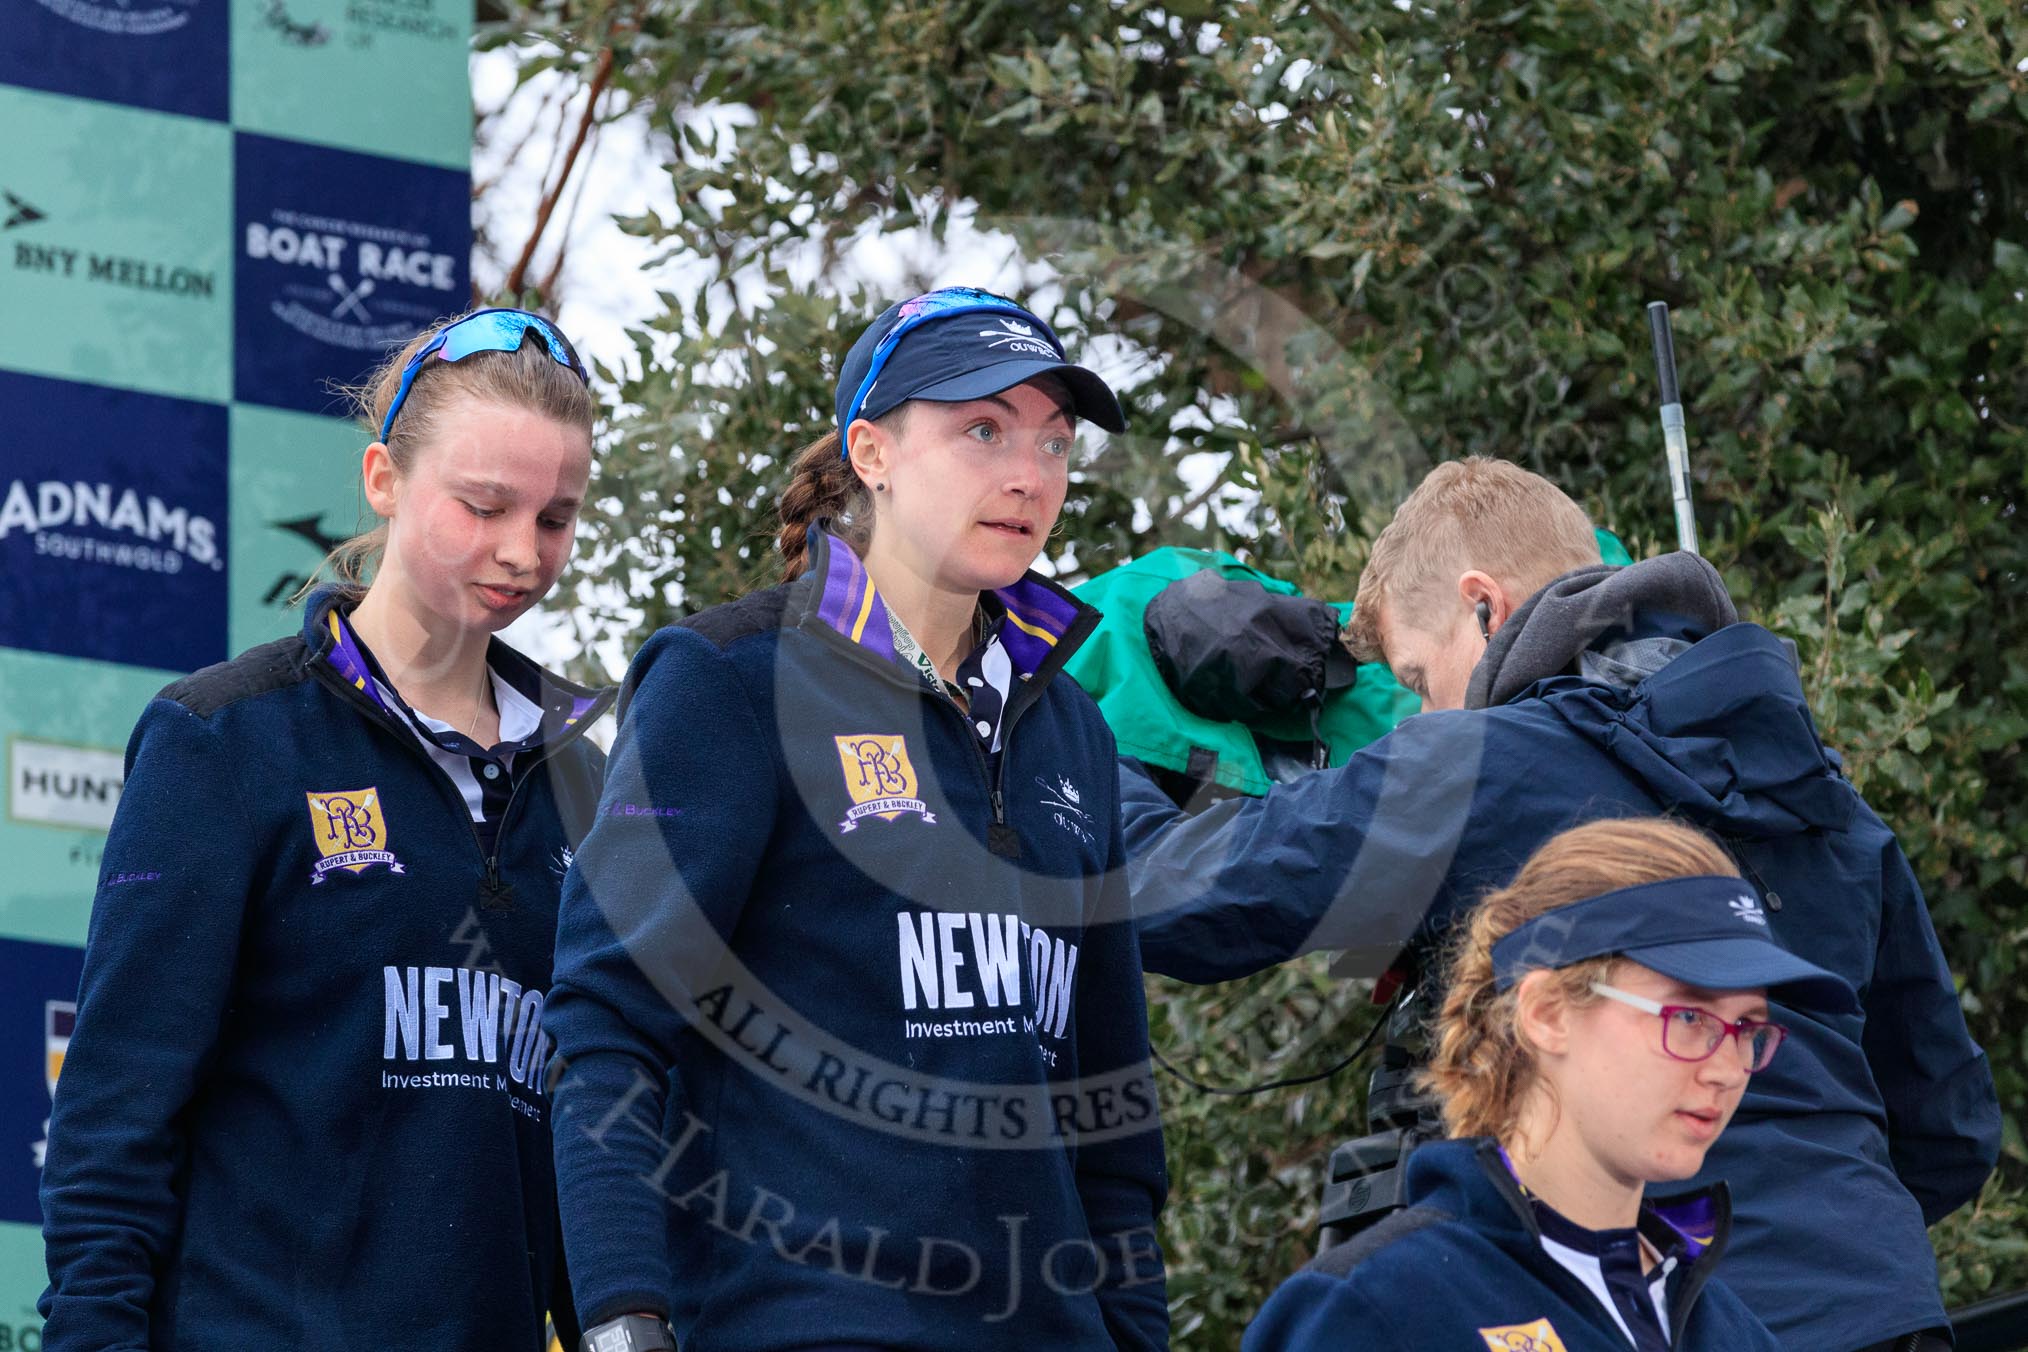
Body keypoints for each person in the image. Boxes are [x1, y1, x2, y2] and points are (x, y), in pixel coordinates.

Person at [1122, 457, 1998, 1351]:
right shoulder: (1832, 803)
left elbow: (1158, 894)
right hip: (1882, 1310)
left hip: (1646, 1311)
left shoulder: (1472, 765)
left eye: (1419, 681)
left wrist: (1078, 736)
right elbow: (1952, 1128)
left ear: (1484, 607)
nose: (1418, 717)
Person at [544, 287, 1169, 1352]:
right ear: (870, 452)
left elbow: (1111, 1116)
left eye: (1055, 443)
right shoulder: (728, 680)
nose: (1029, 473)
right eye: (982, 430)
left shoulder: (1071, 729)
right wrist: (621, 1313)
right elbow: (608, 1023)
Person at [38, 308, 614, 1351]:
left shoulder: (586, 784)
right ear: (383, 480)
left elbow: (598, 1148)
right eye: (484, 505)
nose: (521, 552)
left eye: (556, 517)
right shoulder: (224, 739)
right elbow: (112, 1126)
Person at [1246, 817, 1844, 1350]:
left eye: (1747, 1029)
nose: (1727, 1067)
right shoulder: (1377, 1311)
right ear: (1547, 1014)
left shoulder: (1730, 1331)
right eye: (1688, 1017)